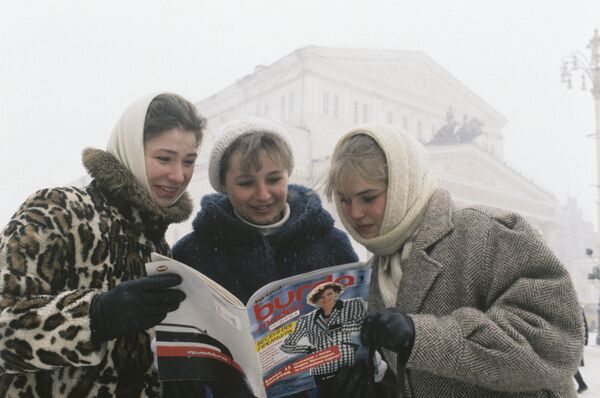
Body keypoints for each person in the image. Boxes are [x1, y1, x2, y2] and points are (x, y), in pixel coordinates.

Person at [324, 123, 584, 397]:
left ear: (404, 184)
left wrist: (419, 337)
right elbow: (419, 380)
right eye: (344, 200)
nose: (354, 213)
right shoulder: (380, 269)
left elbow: (552, 346)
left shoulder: (487, 232)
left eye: (368, 197)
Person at [0, 93, 206, 397]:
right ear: (131, 150)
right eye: (164, 158)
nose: (178, 175)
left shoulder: (158, 246)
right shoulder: (58, 209)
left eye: (188, 162)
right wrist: (97, 315)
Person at [172, 115, 358, 396]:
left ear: (287, 174)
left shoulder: (330, 242)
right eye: (246, 183)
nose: (263, 194)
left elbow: (357, 329)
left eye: (273, 179)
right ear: (223, 184)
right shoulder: (192, 254)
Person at [280, 282, 367, 394]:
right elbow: (286, 346)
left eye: (329, 294)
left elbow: (363, 324)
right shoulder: (306, 320)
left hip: (348, 368)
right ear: (315, 301)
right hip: (322, 373)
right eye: (321, 297)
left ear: (336, 292)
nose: (326, 299)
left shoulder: (352, 304)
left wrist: (340, 326)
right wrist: (307, 349)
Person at [574, 308, 589, 394]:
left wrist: (585, 338)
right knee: (570, 364)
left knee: (568, 364)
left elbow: (584, 325)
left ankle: (582, 384)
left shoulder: (578, 309)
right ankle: (581, 384)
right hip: (575, 340)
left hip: (575, 340)